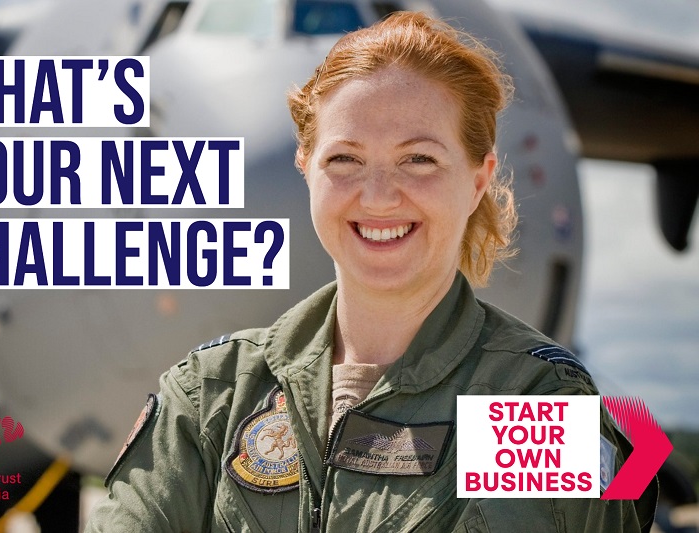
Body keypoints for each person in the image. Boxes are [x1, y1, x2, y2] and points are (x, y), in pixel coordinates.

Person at [86, 11, 657, 532]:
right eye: (345, 160)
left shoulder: (526, 404)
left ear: (478, 179)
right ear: (305, 168)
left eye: (419, 159)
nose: (379, 196)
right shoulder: (214, 395)